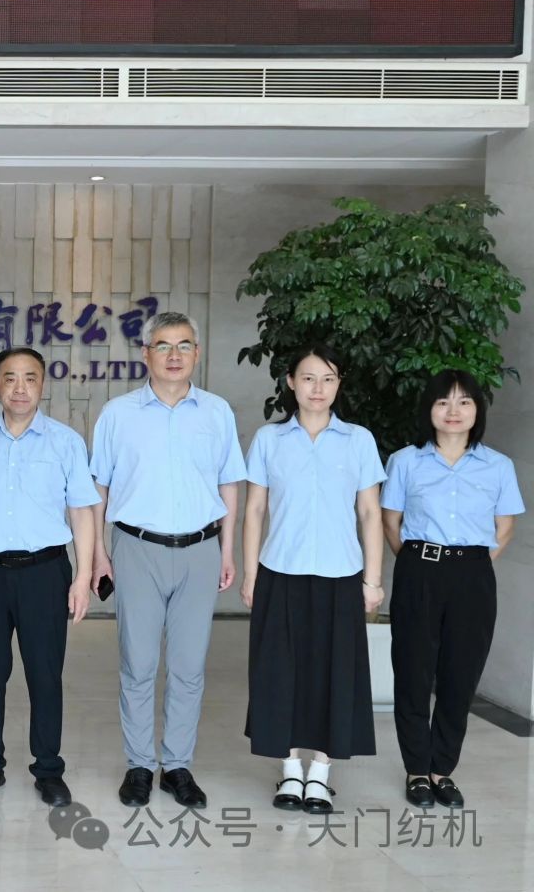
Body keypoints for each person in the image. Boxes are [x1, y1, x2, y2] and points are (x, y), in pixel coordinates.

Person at [90, 311, 246, 809]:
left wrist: (227, 549)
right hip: (136, 548)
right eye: (163, 345)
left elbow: (229, 483)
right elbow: (98, 488)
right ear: (146, 354)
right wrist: (97, 553)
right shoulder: (118, 414)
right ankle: (139, 764)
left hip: (201, 549)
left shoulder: (216, 412)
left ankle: (177, 765)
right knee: (138, 663)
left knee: (188, 666)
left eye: (183, 346)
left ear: (196, 353)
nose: (174, 355)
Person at [240, 345, 385, 815]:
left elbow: (370, 512)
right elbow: (254, 510)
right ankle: (289, 770)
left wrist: (372, 580)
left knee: (334, 673)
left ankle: (320, 773)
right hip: (280, 571)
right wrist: (251, 574)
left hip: (341, 575)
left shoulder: (358, 440)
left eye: (327, 378)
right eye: (308, 378)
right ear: (290, 382)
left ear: (339, 384)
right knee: (279, 672)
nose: (317, 388)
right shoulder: (270, 439)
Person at [0, 346, 100, 808]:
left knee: (45, 674)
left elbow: (82, 511)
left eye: (30, 378)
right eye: (10, 378)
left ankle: (49, 769)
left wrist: (82, 577)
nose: (20, 388)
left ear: (43, 384)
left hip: (45, 572)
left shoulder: (65, 442)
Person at [382, 369, 523, 810]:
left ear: (477, 410)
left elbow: (504, 528)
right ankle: (416, 771)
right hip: (419, 570)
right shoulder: (405, 461)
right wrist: (420, 562)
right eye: (443, 402)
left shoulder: (498, 466)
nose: (453, 411)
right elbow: (390, 522)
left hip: (473, 577)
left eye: (464, 402)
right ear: (429, 408)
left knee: (461, 675)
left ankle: (442, 769)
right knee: (412, 671)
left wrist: (468, 565)